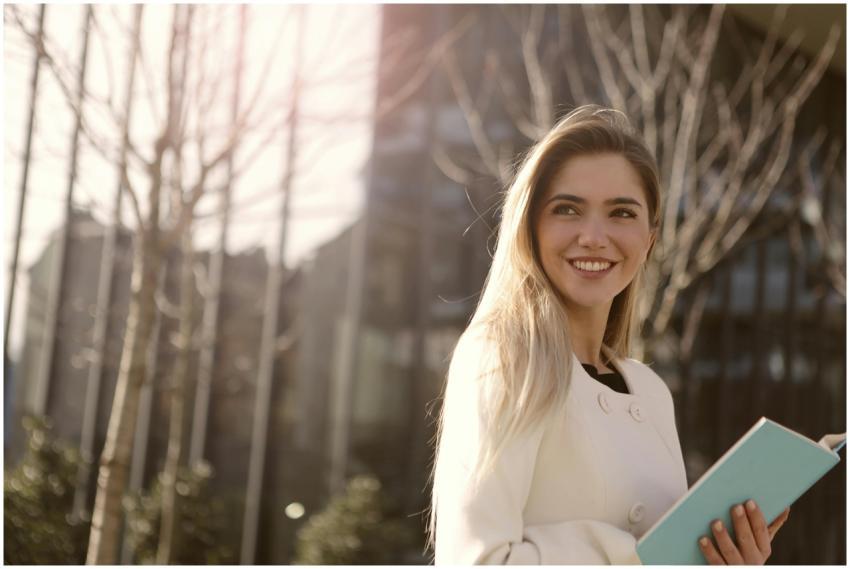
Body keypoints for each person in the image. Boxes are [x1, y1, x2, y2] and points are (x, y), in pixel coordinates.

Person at [428, 105, 790, 565]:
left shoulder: (652, 392)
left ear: (650, 239)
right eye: (567, 209)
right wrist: (646, 557)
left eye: (621, 213)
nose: (594, 236)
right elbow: (476, 560)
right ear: (530, 228)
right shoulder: (502, 356)